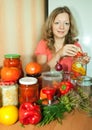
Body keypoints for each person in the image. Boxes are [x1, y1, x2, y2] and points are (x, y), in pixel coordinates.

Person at [34, 6, 90, 72]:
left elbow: (78, 74)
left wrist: (81, 63)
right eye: (57, 23)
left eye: (66, 23)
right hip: (49, 82)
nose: (62, 27)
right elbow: (41, 72)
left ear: (70, 27)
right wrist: (59, 54)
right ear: (51, 25)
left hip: (69, 82)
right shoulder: (43, 44)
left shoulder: (75, 45)